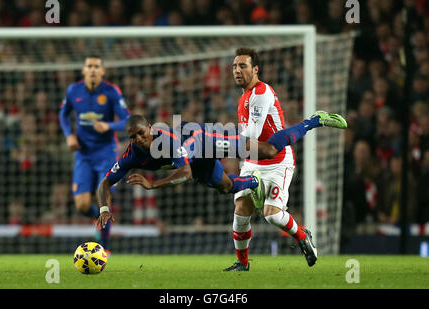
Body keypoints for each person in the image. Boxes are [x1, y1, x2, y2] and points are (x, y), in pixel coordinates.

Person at [96, 112, 347, 233]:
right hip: (195, 160)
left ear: (150, 128)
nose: (139, 139)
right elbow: (105, 184)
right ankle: (253, 182)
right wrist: (104, 208)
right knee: (224, 187)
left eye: (142, 133)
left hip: (205, 141)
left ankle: (314, 120)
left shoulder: (168, 140)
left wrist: (153, 185)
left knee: (268, 150)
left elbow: (185, 173)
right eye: (133, 137)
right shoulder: (131, 155)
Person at [225, 47, 336, 271]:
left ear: (255, 69)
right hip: (254, 161)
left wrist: (220, 141)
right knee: (240, 209)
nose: (237, 70)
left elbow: (252, 135)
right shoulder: (244, 97)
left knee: (272, 215)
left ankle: (302, 235)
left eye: (243, 66)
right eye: (235, 66)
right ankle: (242, 264)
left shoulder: (261, 92)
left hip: (278, 161)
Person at [59, 55, 130, 252]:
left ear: (102, 71)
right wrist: (68, 136)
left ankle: (104, 248)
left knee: (104, 201)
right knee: (81, 205)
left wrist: (109, 125)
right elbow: (63, 114)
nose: (92, 69)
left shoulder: (111, 92)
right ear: (83, 70)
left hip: (106, 152)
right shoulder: (73, 91)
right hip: (83, 153)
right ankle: (96, 219)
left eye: (96, 66)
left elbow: (128, 121)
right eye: (89, 66)